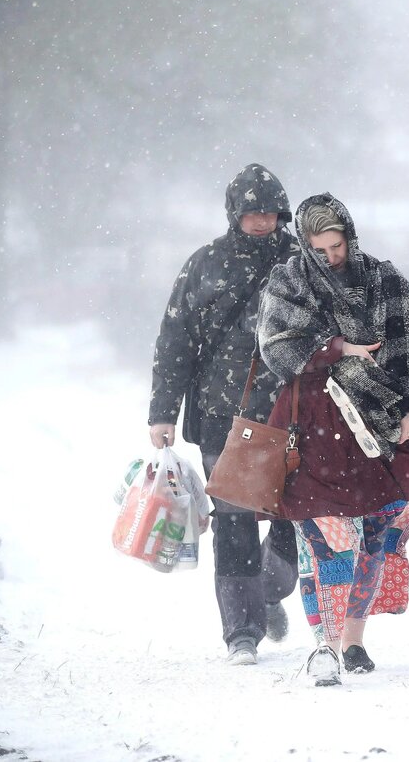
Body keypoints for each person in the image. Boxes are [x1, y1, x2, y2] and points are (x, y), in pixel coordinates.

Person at [257, 192, 409, 686]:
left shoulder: (382, 278)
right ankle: (324, 646)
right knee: (323, 537)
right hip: (314, 424)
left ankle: (354, 639)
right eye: (321, 247)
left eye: (339, 244)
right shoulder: (289, 281)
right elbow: (275, 346)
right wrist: (336, 347)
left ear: (351, 236)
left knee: (376, 533)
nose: (333, 256)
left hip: (380, 425)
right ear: (305, 244)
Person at [147, 163, 302, 666]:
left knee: (295, 514)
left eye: (270, 211)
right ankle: (241, 632)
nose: (262, 221)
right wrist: (162, 412)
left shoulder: (303, 263)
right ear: (235, 213)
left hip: (292, 411)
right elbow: (175, 341)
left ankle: (269, 588)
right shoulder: (205, 264)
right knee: (234, 519)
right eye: (252, 211)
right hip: (222, 415)